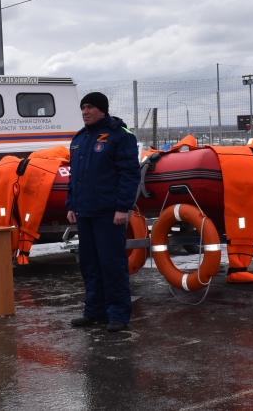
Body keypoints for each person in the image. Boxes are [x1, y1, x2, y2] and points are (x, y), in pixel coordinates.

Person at [66, 92, 141, 333]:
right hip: (85, 211)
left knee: (112, 265)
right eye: (83, 108)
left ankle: (118, 314)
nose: (85, 112)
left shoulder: (120, 135)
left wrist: (123, 207)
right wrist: (71, 204)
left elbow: (129, 173)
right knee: (89, 265)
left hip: (109, 214)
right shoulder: (79, 138)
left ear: (102, 110)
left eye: (90, 107)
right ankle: (94, 311)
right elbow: (74, 177)